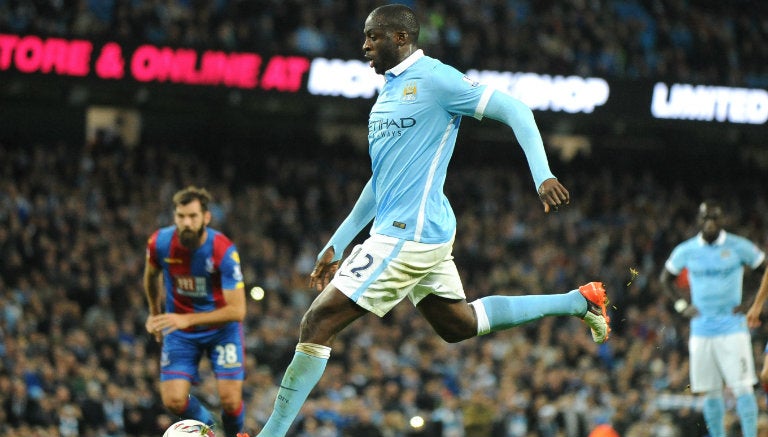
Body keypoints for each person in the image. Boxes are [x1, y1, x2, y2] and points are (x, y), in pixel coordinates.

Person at [254, 4, 609, 437]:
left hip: (410, 234)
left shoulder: (438, 79)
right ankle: (580, 301)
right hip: (417, 231)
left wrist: (543, 175)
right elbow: (379, 181)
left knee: (317, 321)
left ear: (401, 38)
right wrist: (339, 241)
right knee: (458, 325)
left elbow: (518, 111)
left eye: (374, 36)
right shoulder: (386, 93)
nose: (364, 45)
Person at [144, 186, 249, 437]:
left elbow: (238, 310)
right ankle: (209, 429)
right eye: (181, 217)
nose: (186, 223)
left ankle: (236, 435)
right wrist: (154, 313)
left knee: (231, 401)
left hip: (221, 330)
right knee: (173, 402)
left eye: (192, 216)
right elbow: (150, 277)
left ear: (206, 217)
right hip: (181, 332)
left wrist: (186, 318)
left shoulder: (223, 250)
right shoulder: (159, 243)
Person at [660, 199, 765, 437]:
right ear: (698, 220)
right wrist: (681, 305)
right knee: (710, 391)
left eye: (714, 217)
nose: (709, 223)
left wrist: (751, 303)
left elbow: (764, 269)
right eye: (705, 217)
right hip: (701, 330)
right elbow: (665, 279)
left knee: (743, 387)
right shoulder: (686, 250)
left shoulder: (739, 246)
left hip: (733, 327)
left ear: (722, 220)